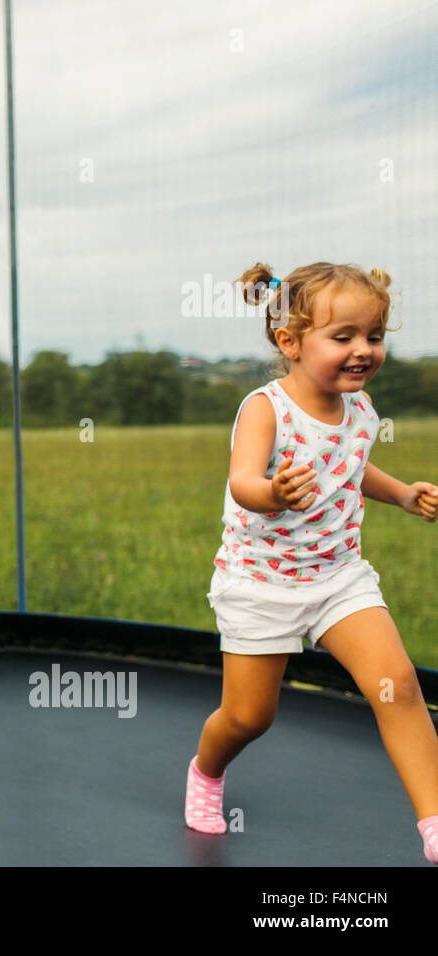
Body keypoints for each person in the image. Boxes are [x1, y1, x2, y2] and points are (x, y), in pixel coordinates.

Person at [187, 261, 438, 864]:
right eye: (344, 337)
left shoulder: (360, 409)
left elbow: (350, 467)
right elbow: (244, 480)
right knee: (249, 717)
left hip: (339, 578)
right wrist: (273, 493)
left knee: (399, 687)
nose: (363, 351)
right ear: (291, 343)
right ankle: (205, 772)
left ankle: (434, 824)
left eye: (374, 336)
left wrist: (401, 492)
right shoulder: (264, 408)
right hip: (260, 585)